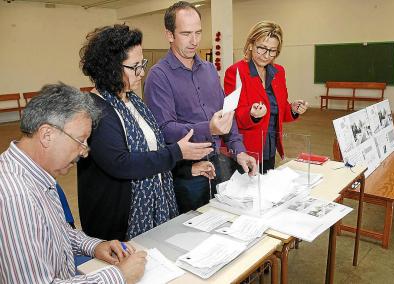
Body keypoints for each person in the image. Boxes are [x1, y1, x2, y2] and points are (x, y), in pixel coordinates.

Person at [78, 24, 214, 241]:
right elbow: (122, 163)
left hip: (157, 212)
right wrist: (177, 153)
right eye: (135, 67)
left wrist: (188, 169)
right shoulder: (96, 110)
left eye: (142, 64)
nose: (141, 73)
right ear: (110, 68)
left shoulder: (134, 102)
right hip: (118, 225)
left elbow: (153, 152)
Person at [0, 83, 146, 283]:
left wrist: (94, 246)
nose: (84, 151)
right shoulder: (17, 196)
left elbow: (55, 232)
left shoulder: (34, 173)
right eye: (80, 140)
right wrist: (118, 276)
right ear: (46, 135)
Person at [144, 1, 257, 213]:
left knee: (224, 222)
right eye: (186, 33)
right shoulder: (159, 76)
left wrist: (239, 150)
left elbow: (226, 113)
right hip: (187, 172)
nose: (194, 41)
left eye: (198, 32)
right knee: (191, 230)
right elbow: (164, 129)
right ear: (170, 35)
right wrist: (209, 129)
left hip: (218, 163)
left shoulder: (209, 70)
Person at [224, 21, 308, 173]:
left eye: (272, 51)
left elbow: (280, 110)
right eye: (261, 48)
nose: (266, 55)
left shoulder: (279, 72)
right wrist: (252, 114)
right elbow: (231, 116)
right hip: (246, 149)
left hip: (270, 146)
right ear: (250, 44)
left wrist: (293, 109)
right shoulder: (235, 72)